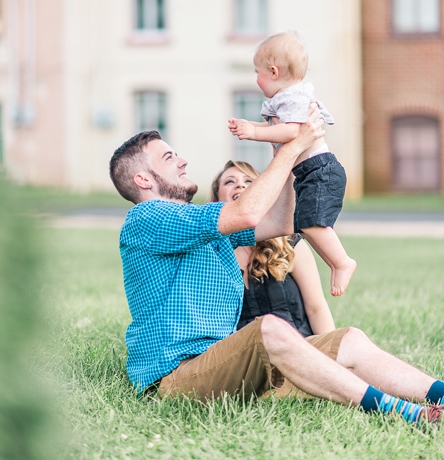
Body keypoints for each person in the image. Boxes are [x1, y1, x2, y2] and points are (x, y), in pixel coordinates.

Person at [109, 108, 444, 425]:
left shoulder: (194, 225)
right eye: (169, 158)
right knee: (268, 329)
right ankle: (402, 412)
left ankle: (438, 394)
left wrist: (282, 147)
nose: (182, 161)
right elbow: (247, 214)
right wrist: (293, 146)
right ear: (142, 178)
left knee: (349, 340)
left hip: (225, 366)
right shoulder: (146, 217)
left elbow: (280, 221)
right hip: (175, 379)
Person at [228, 31, 356, 296]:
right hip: (312, 172)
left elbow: (290, 133)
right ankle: (337, 263)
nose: (256, 78)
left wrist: (255, 133)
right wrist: (251, 125)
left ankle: (342, 262)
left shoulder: (292, 98)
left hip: (319, 171)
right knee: (305, 224)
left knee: (311, 224)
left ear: (273, 72)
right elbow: (279, 127)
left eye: (258, 72)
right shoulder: (288, 99)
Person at [210, 160, 334, 338]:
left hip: (302, 348)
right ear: (216, 199)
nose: (240, 184)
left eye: (249, 181)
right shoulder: (210, 253)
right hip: (245, 359)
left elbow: (316, 308)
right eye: (230, 181)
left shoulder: (289, 243)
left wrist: (331, 353)